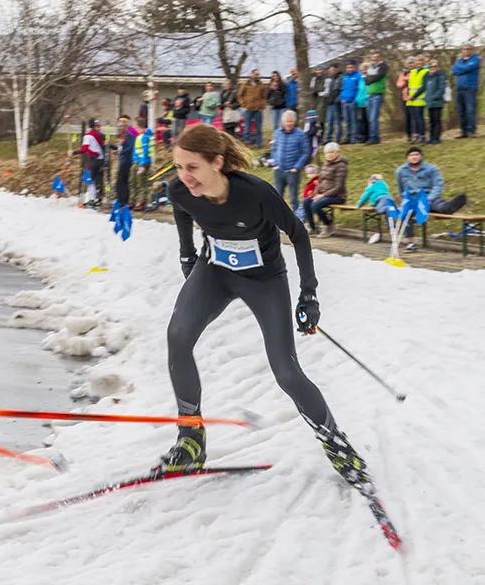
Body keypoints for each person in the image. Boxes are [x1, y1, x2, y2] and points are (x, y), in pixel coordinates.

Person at [158, 123, 372, 500]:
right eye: (178, 167)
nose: (184, 177)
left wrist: (309, 295)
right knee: (177, 337)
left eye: (191, 167)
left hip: (263, 280)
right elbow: (181, 212)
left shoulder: (255, 193)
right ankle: (191, 439)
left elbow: (299, 234)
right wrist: (187, 254)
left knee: (286, 371)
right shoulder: (180, 190)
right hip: (217, 272)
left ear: (218, 163)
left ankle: (336, 443)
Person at [396, 147, 467, 251]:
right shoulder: (400, 171)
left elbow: (438, 185)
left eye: (417, 154)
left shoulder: (432, 169)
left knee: (441, 207)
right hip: (413, 199)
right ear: (407, 158)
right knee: (405, 214)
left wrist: (428, 199)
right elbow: (401, 188)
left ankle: (452, 205)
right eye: (411, 155)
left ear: (421, 156)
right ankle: (411, 243)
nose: (414, 157)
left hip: (429, 197)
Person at [303, 142, 347, 238]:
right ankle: (313, 228)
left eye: (332, 152)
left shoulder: (341, 166)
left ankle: (329, 225)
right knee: (306, 201)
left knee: (315, 205)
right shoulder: (325, 165)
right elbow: (320, 181)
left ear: (337, 153)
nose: (330, 154)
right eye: (327, 153)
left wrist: (322, 195)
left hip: (338, 196)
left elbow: (338, 187)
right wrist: (315, 194)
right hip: (324, 195)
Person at [271, 110, 311, 211]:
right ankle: (278, 220)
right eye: (286, 121)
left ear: (294, 122)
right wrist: (275, 164)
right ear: (282, 121)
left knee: (293, 198)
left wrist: (297, 167)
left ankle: (296, 220)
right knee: (277, 197)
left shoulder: (301, 134)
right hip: (279, 170)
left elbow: (306, 152)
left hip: (292, 171)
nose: (288, 124)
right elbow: (274, 149)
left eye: (290, 121)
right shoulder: (277, 133)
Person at [71, 118, 106, 206]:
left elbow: (84, 149)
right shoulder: (98, 135)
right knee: (98, 180)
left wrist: (74, 152)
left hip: (94, 160)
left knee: (92, 181)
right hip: (101, 159)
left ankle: (92, 199)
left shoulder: (87, 136)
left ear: (88, 126)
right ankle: (98, 199)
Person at [452, 44, 481, 138]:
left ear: (472, 50)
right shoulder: (459, 60)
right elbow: (453, 71)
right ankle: (463, 131)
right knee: (461, 111)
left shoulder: (475, 59)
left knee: (470, 110)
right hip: (459, 88)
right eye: (463, 49)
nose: (465, 51)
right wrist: (462, 68)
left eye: (468, 49)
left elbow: (468, 68)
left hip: (470, 88)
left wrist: (460, 68)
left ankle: (472, 131)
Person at [416, 59, 446, 144]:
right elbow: (423, 87)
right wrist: (414, 96)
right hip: (429, 102)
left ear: (438, 67)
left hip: (437, 102)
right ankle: (431, 137)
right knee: (431, 121)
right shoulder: (427, 76)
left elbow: (441, 89)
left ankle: (436, 138)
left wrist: (433, 97)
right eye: (431, 66)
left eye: (435, 66)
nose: (433, 68)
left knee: (437, 120)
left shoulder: (440, 75)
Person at [110, 115, 136, 207]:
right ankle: (121, 199)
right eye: (118, 126)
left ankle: (123, 200)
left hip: (127, 161)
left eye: (121, 126)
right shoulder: (123, 136)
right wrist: (112, 147)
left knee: (121, 182)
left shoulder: (129, 136)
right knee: (120, 181)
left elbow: (130, 148)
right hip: (122, 160)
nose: (119, 128)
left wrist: (120, 152)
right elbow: (121, 148)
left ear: (125, 127)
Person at [238, 68, 267, 148]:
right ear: (252, 74)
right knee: (247, 127)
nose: (256, 76)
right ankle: (248, 142)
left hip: (258, 109)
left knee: (258, 127)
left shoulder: (261, 85)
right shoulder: (245, 84)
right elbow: (240, 95)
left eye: (258, 74)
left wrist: (262, 106)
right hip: (248, 109)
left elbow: (264, 97)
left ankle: (259, 143)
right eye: (255, 74)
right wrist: (243, 105)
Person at [131, 116, 155, 211]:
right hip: (139, 161)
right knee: (136, 182)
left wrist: (142, 165)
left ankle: (143, 202)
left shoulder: (144, 137)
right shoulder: (142, 136)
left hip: (141, 162)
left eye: (134, 125)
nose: (133, 127)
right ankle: (138, 201)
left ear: (138, 125)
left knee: (143, 183)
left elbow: (145, 151)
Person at [364, 51, 388, 145]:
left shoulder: (382, 67)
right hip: (369, 95)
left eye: (376, 57)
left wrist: (370, 78)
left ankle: (373, 137)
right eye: (373, 57)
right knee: (370, 118)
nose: (374, 59)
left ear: (380, 57)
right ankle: (374, 136)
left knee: (374, 118)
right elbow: (366, 79)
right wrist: (370, 78)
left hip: (377, 95)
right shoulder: (371, 67)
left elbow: (377, 77)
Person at [407, 56, 429, 144]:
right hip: (411, 99)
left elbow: (423, 86)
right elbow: (410, 84)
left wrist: (414, 96)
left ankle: (422, 135)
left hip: (419, 99)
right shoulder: (412, 71)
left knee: (420, 118)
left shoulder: (426, 71)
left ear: (424, 62)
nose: (419, 63)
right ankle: (416, 135)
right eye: (417, 61)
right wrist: (409, 94)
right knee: (414, 118)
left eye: (421, 61)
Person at [340, 61, 361, 144]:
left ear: (354, 67)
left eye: (351, 67)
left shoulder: (358, 76)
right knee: (347, 121)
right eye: (348, 67)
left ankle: (354, 137)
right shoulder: (345, 77)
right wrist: (342, 98)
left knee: (354, 120)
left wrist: (355, 100)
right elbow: (343, 88)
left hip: (353, 101)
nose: (350, 69)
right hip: (345, 101)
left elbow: (359, 89)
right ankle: (347, 137)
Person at [324, 63, 343, 144]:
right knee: (329, 121)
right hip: (330, 103)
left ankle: (338, 138)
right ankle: (328, 138)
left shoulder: (341, 78)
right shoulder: (331, 79)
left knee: (338, 122)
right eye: (330, 69)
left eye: (333, 69)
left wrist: (336, 99)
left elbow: (339, 90)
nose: (331, 71)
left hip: (336, 103)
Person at [310, 65, 328, 135]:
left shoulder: (326, 79)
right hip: (315, 101)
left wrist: (318, 93)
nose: (319, 71)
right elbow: (311, 88)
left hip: (322, 101)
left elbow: (326, 92)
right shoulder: (313, 79)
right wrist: (313, 92)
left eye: (320, 70)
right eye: (317, 70)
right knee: (314, 120)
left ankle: (322, 136)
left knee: (321, 120)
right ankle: (316, 135)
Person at [355, 63, 369, 144]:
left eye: (366, 69)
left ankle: (367, 135)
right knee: (361, 120)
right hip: (360, 102)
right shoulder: (360, 79)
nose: (364, 71)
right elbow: (359, 90)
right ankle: (363, 135)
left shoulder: (369, 78)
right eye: (363, 69)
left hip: (366, 101)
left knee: (366, 120)